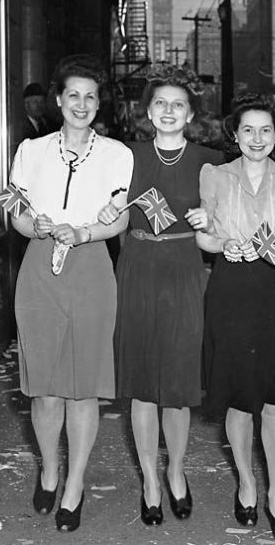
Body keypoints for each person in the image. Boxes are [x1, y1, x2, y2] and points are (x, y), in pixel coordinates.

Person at [7, 55, 134, 533]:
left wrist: (82, 234)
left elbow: (120, 217)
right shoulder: (30, 151)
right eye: (73, 95)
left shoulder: (117, 155)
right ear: (58, 99)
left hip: (91, 264)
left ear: (98, 104)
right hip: (40, 265)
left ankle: (75, 484)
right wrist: (31, 223)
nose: (81, 104)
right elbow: (15, 212)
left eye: (90, 96)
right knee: (44, 389)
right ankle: (49, 468)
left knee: (84, 388)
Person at [97, 64, 222, 526]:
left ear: (190, 114)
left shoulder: (209, 160)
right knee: (143, 383)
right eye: (160, 104)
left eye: (178, 105)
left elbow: (226, 221)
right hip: (138, 269)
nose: (169, 112)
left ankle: (177, 470)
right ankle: (150, 479)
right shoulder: (126, 157)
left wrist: (211, 221)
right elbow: (106, 209)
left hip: (185, 269)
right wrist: (107, 206)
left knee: (178, 383)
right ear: (147, 111)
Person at [197, 93, 275, 541]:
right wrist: (223, 243)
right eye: (248, 130)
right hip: (230, 289)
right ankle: (246, 482)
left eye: (266, 130)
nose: (257, 138)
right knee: (240, 397)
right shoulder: (216, 176)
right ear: (235, 134)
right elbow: (204, 238)